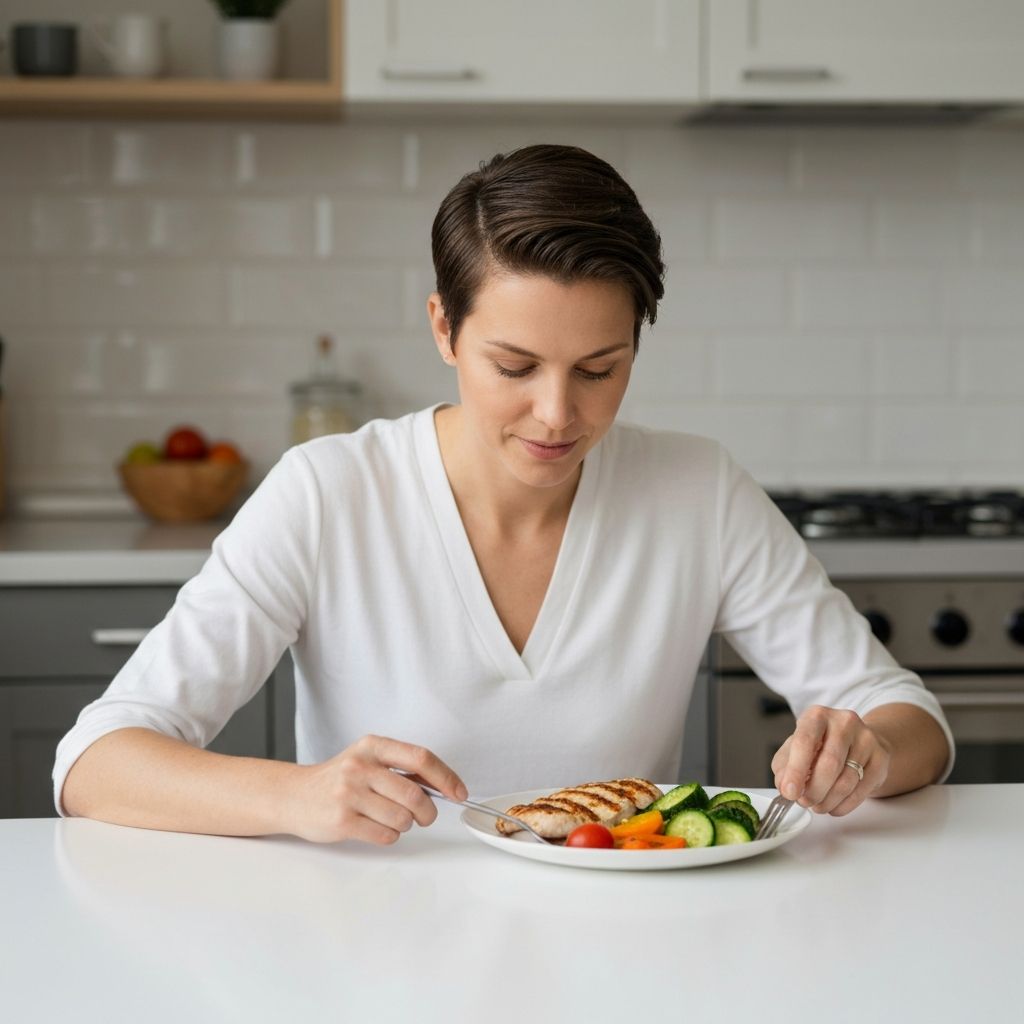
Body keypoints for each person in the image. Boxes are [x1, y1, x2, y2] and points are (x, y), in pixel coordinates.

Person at [55, 144, 953, 845]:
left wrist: (864, 756)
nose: (558, 415)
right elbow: (94, 764)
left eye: (600, 370)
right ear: (444, 326)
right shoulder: (330, 493)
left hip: (625, 945)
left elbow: (908, 717)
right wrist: (297, 793)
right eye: (514, 367)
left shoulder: (696, 489)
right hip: (375, 954)